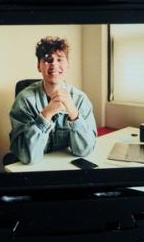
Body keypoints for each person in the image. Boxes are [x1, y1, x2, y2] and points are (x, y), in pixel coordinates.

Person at [8, 36, 97, 165]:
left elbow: (85, 150)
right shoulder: (24, 100)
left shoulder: (80, 99)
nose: (54, 64)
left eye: (60, 59)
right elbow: (27, 156)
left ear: (67, 65)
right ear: (39, 66)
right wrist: (46, 114)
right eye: (48, 60)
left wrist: (73, 113)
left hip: (65, 167)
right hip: (34, 170)